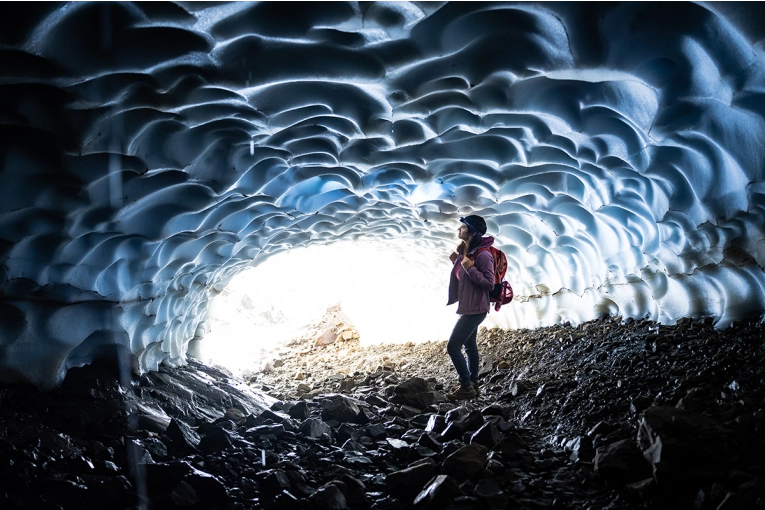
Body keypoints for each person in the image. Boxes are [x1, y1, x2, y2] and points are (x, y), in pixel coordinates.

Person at [446, 215, 496, 400]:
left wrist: (470, 268)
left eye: (464, 227)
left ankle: (465, 386)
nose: (459, 229)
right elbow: (466, 278)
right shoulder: (467, 252)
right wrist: (457, 263)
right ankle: (473, 383)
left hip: (476, 309)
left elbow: (489, 284)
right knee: (470, 347)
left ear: (473, 232)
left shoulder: (483, 255)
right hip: (469, 307)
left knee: (453, 347)